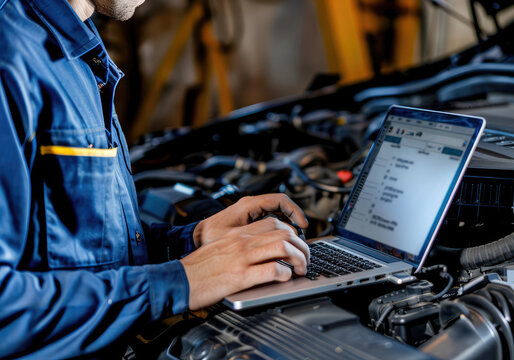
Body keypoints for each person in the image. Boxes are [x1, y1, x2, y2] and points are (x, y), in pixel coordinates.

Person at [0, 0, 310, 358]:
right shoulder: (11, 54)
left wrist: (192, 242)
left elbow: (71, 249)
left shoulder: (77, 44)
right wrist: (183, 280)